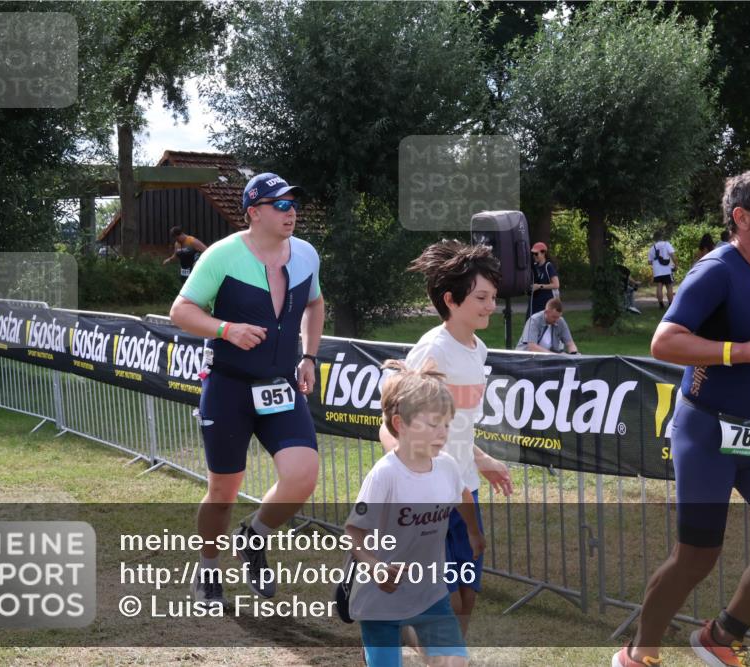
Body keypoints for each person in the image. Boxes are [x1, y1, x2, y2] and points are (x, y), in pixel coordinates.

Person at [613, 167, 750, 667]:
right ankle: (638, 653)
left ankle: (721, 634)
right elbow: (664, 341)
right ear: (742, 217)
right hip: (707, 430)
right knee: (697, 556)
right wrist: (738, 352)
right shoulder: (716, 269)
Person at [169, 172, 325, 605]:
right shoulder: (221, 255)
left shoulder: (307, 255)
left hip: (280, 385)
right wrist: (225, 328)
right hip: (229, 386)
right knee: (224, 490)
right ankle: (208, 567)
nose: (290, 211)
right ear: (254, 213)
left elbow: (314, 301)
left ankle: (254, 535)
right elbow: (181, 310)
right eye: (279, 205)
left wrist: (309, 356)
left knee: (302, 476)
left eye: (292, 203)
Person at [379, 239, 513, 638]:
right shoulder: (432, 351)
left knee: (466, 597)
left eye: (493, 296)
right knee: (440, 599)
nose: (491, 305)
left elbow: (456, 429)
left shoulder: (478, 349)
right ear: (452, 300)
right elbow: (390, 424)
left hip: (464, 492)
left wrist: (481, 461)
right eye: (482, 297)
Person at [346, 360, 484, 667]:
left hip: (431, 595)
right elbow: (354, 533)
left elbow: (462, 495)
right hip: (380, 601)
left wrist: (475, 533)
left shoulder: (446, 465)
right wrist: (373, 566)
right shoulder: (385, 476)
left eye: (446, 425)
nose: (442, 433)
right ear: (400, 424)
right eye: (432, 425)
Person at [527, 241, 559, 317]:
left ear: (543, 253)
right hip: (536, 302)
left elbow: (556, 284)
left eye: (536, 254)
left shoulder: (548, 266)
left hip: (547, 302)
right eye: (533, 254)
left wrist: (539, 286)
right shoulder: (534, 266)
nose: (534, 256)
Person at [648, 230, 677, 309]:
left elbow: (649, 262)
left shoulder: (652, 248)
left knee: (659, 286)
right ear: (662, 237)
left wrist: (656, 261)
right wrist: (676, 265)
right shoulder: (666, 244)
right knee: (669, 287)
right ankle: (671, 304)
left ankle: (661, 304)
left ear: (655, 238)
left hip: (657, 271)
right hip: (667, 269)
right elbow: (673, 256)